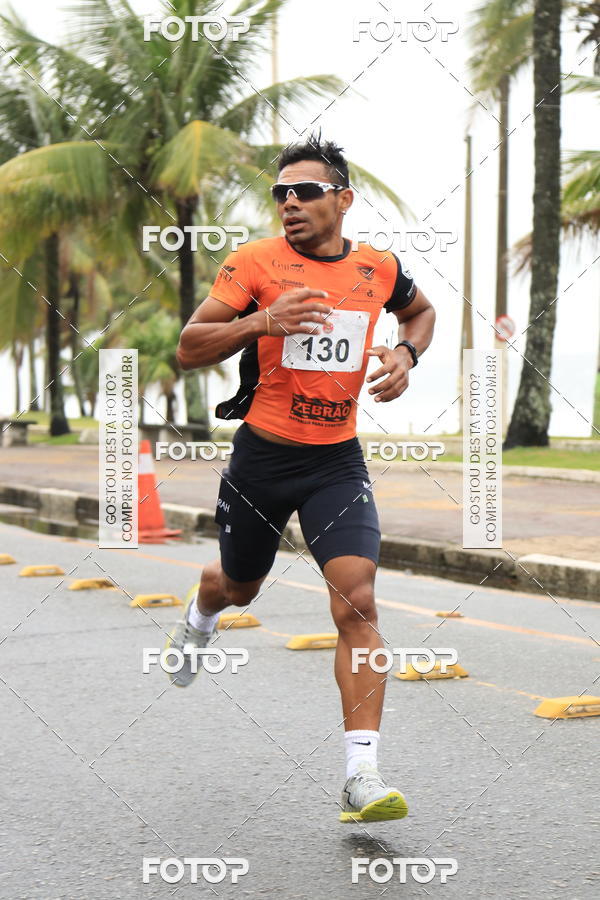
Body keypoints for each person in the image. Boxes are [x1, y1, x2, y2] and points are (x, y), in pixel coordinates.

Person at [171, 134, 435, 823]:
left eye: (305, 191)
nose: (289, 203)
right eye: (280, 193)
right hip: (261, 461)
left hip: (334, 461)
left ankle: (362, 777)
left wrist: (406, 353)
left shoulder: (378, 268)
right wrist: (262, 319)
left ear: (342, 200)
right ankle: (204, 607)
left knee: (359, 600)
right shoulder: (254, 263)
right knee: (240, 585)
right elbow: (188, 347)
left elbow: (421, 310)